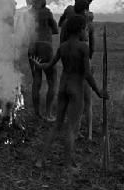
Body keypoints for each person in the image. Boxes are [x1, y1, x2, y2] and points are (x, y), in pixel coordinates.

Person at [31, 15, 108, 172]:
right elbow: (86, 74)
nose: (87, 33)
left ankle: (41, 160)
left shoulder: (63, 46)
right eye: (86, 29)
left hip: (63, 88)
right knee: (72, 128)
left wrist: (38, 65)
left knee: (57, 125)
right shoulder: (83, 48)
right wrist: (98, 91)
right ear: (80, 30)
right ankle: (68, 164)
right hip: (76, 89)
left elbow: (49, 65)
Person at [59, 0, 95, 140]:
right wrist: (88, 59)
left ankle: (75, 130)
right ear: (86, 9)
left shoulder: (68, 23)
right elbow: (93, 46)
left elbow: (62, 43)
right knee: (87, 101)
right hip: (84, 62)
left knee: (73, 100)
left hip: (70, 66)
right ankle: (89, 134)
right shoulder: (88, 24)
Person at [24, 0, 59, 120]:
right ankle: (48, 113)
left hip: (32, 47)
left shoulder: (28, 14)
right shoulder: (46, 12)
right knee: (52, 81)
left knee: (36, 81)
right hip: (45, 46)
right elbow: (55, 30)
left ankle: (37, 113)